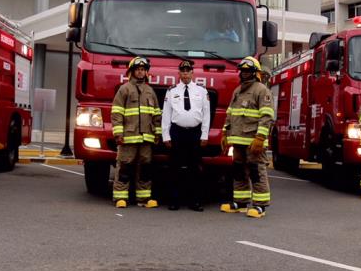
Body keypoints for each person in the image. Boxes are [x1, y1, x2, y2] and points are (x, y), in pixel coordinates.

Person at [220, 56, 275, 218]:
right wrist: (225, 133)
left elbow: (267, 116)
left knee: (256, 171)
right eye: (242, 71)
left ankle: (260, 205)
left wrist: (260, 138)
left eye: (248, 71)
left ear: (255, 73)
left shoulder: (261, 90)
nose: (244, 74)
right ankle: (241, 202)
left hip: (253, 141)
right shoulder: (237, 91)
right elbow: (230, 114)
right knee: (238, 171)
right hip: (238, 140)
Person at [111, 56, 162, 209]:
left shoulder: (150, 91)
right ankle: (120, 197)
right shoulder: (124, 89)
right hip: (128, 137)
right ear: (132, 72)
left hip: (146, 137)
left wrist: (157, 133)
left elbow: (156, 114)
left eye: (142, 70)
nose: (140, 72)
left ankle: (144, 198)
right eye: (137, 70)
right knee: (125, 166)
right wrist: (118, 134)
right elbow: (117, 112)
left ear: (146, 72)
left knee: (145, 168)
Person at [161, 60, 210, 211]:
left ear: (192, 73)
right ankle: (174, 201)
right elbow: (166, 114)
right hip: (177, 132)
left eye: (188, 71)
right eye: (183, 71)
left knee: (194, 168)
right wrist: (166, 136)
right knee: (174, 168)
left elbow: (206, 114)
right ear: (179, 73)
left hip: (195, 133)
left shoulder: (202, 91)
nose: (185, 74)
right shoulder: (172, 91)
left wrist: (204, 135)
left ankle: (194, 201)